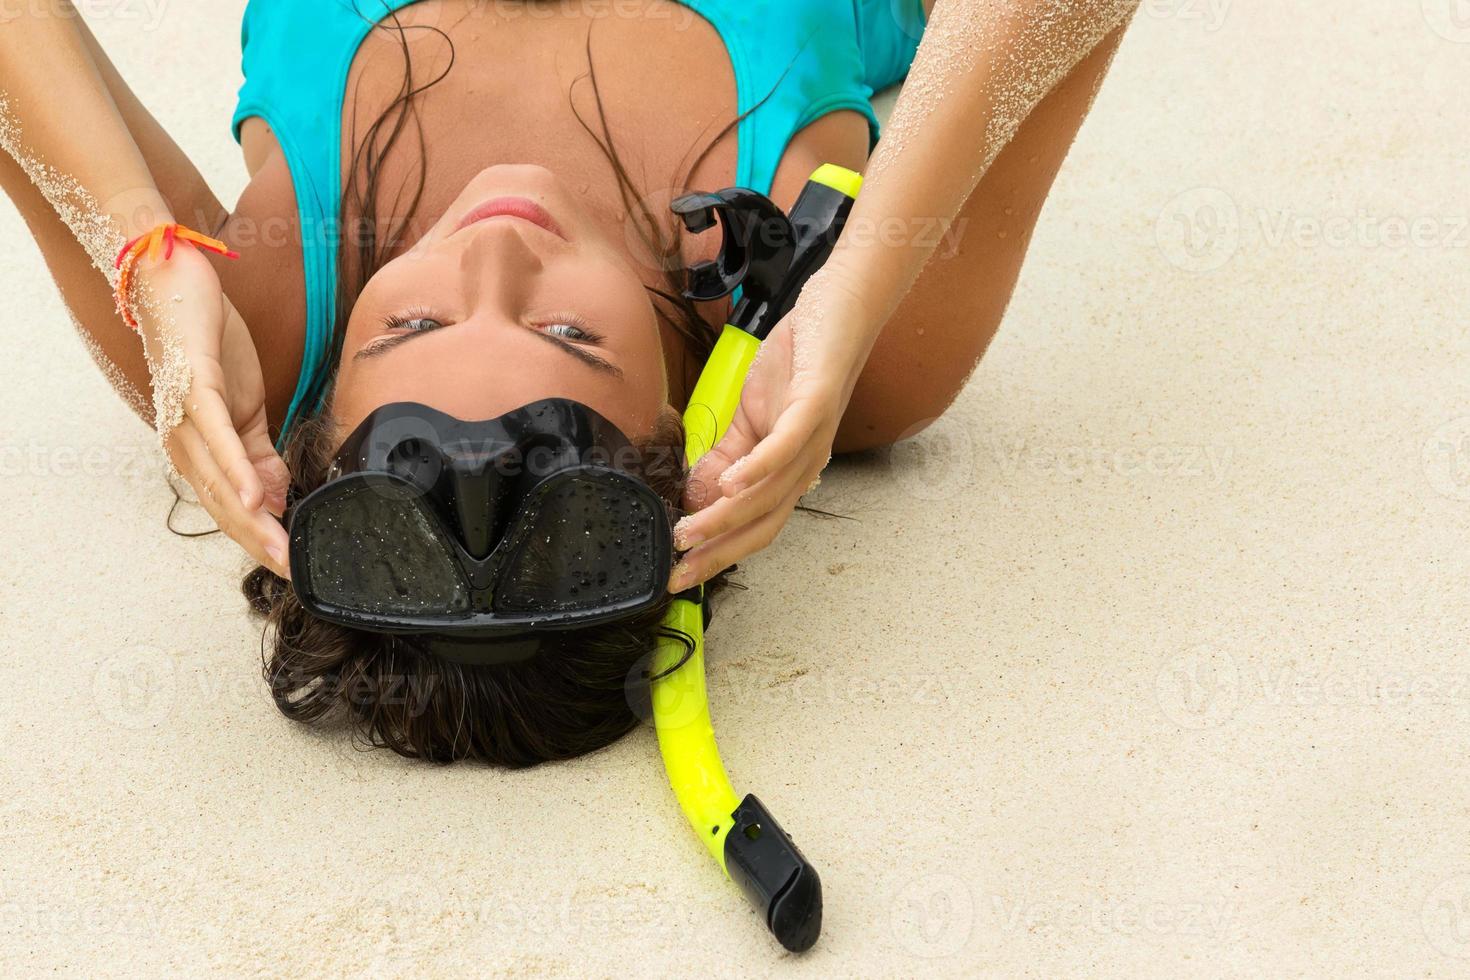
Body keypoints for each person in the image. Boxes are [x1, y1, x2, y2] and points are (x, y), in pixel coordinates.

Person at [0, 0, 1138, 765]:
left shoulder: (235, 328)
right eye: (564, 330)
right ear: (681, 438)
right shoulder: (848, 350)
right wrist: (862, 278)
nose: (494, 246)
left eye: (410, 318)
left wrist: (134, 239)